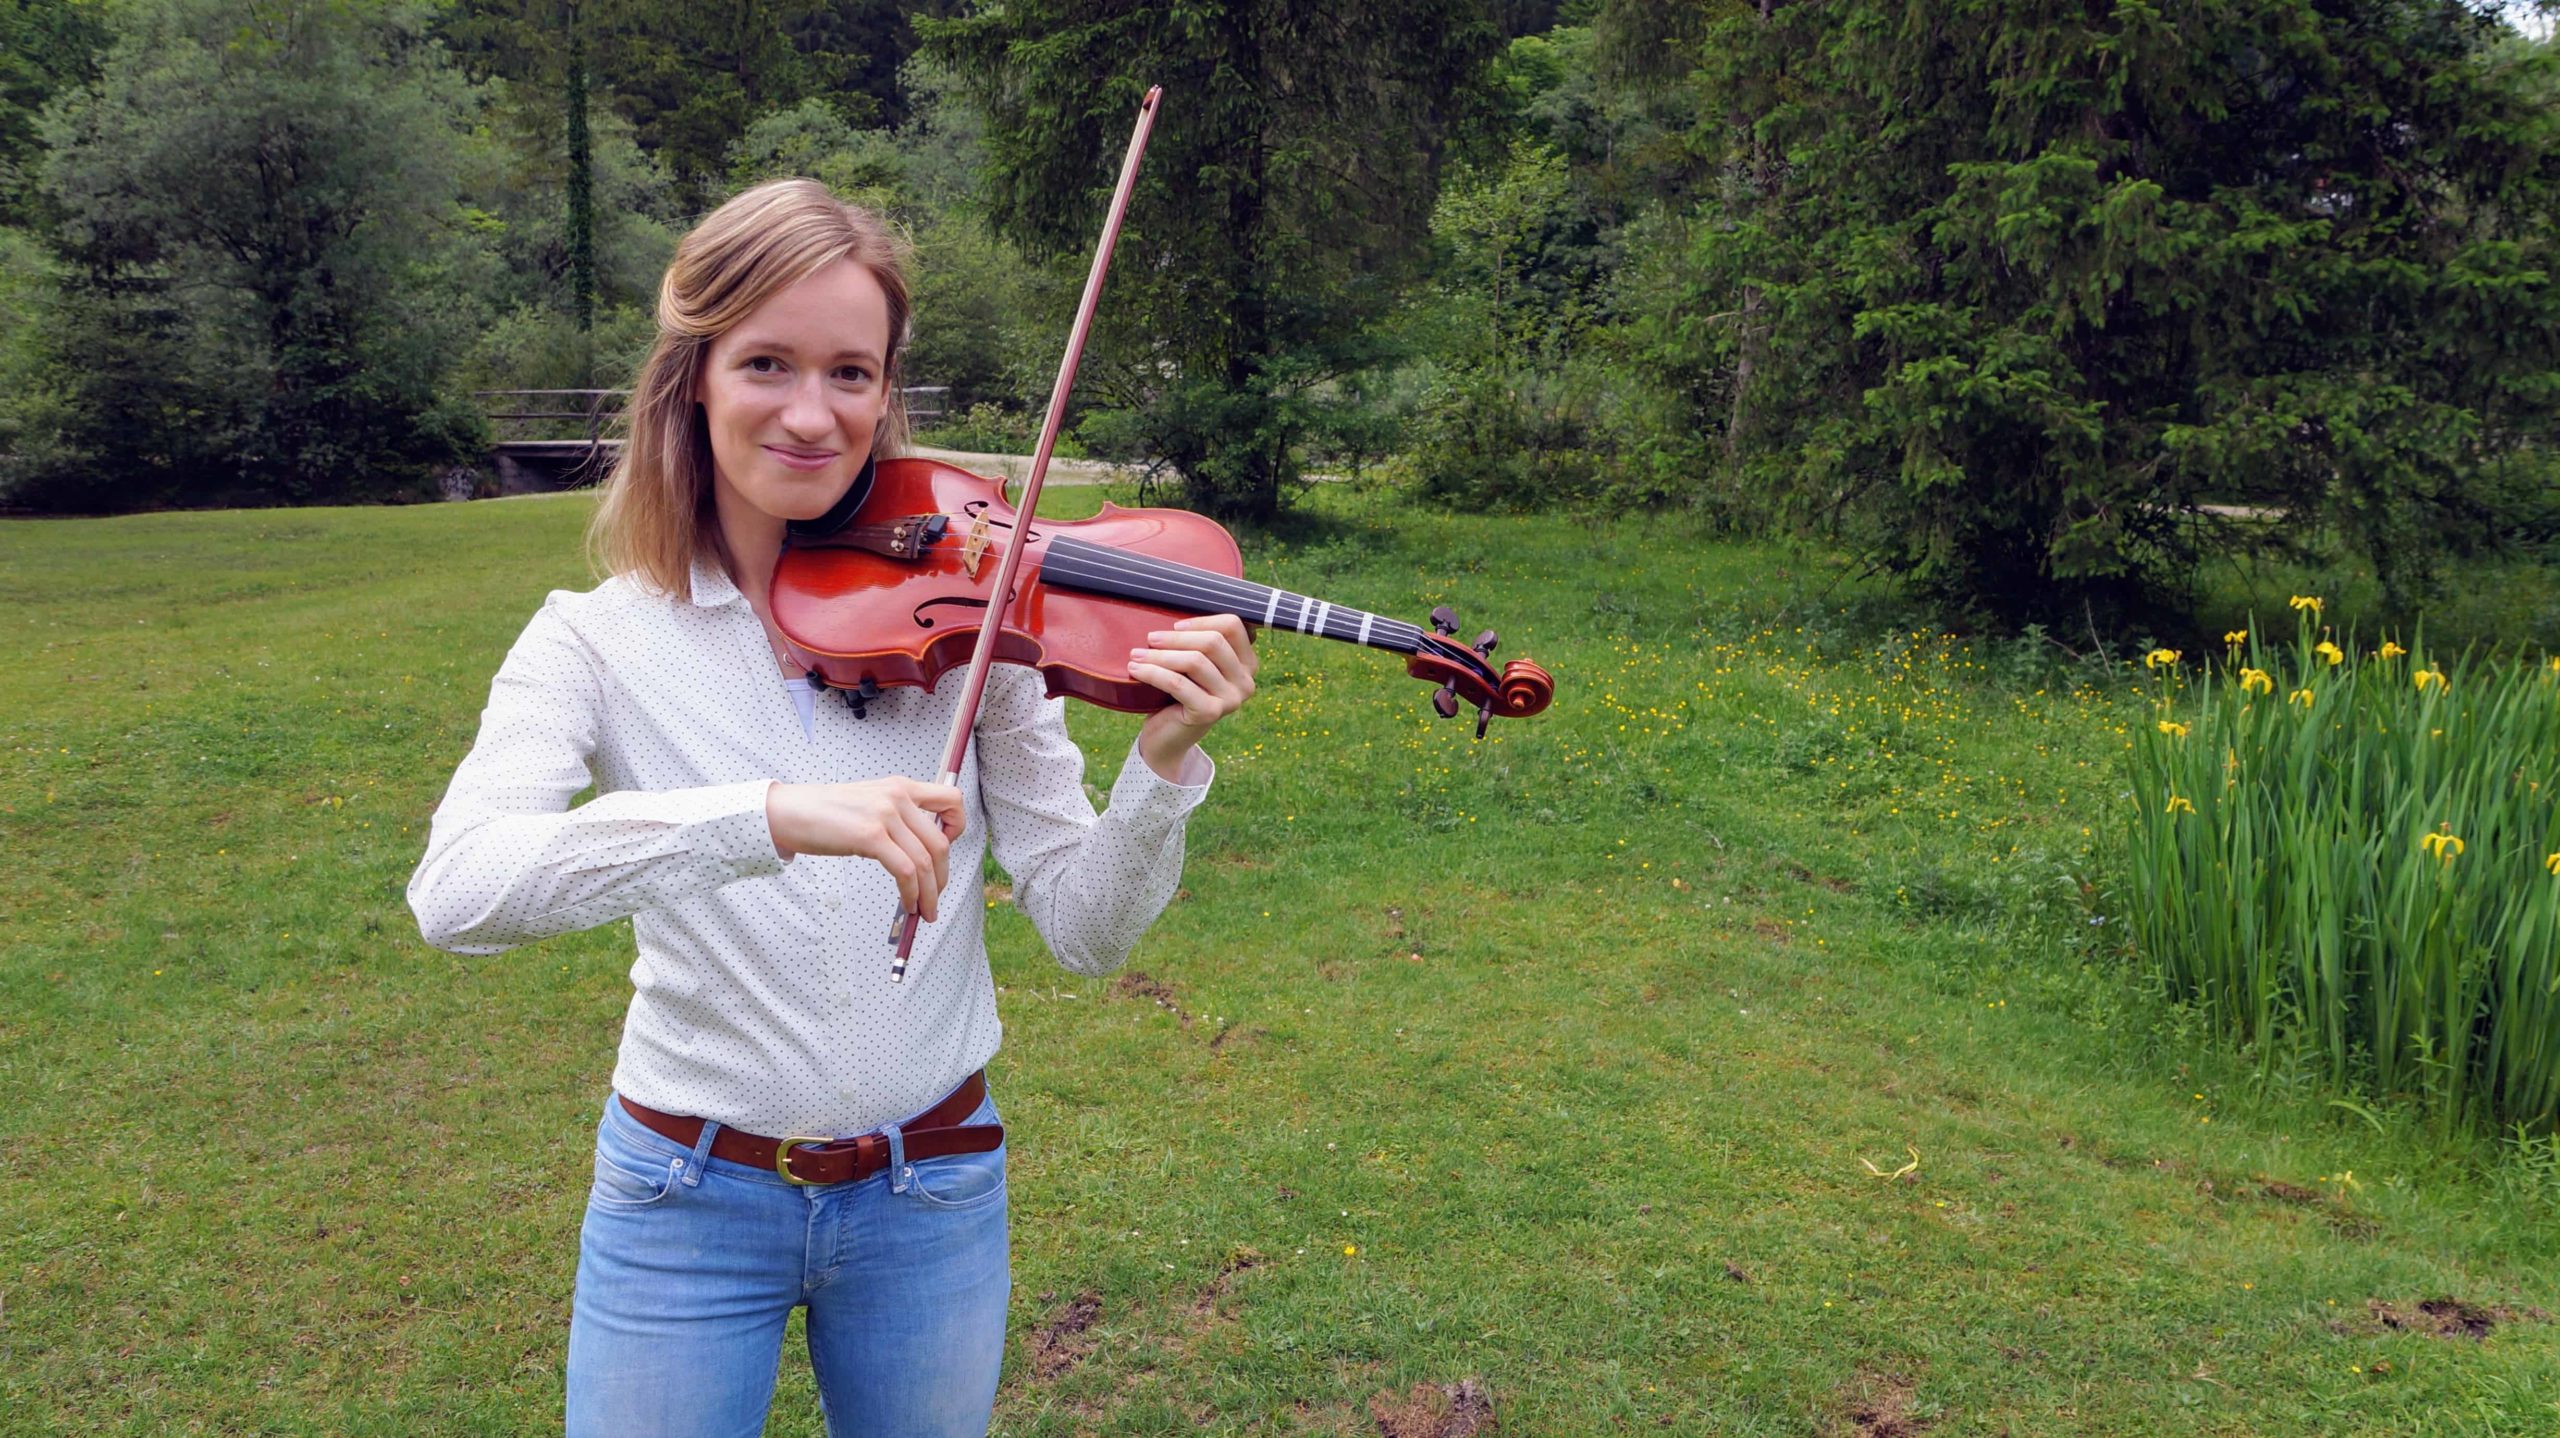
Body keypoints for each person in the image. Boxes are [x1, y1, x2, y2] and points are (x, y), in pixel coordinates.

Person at [406, 178, 1257, 1437]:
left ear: (884, 392)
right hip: (682, 1197)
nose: (813, 414)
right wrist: (768, 815)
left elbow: (1087, 931)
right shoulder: (592, 641)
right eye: (767, 363)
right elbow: (457, 893)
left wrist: (1166, 765)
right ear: (692, 377)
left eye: (851, 374)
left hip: (933, 1188)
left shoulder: (970, 625)